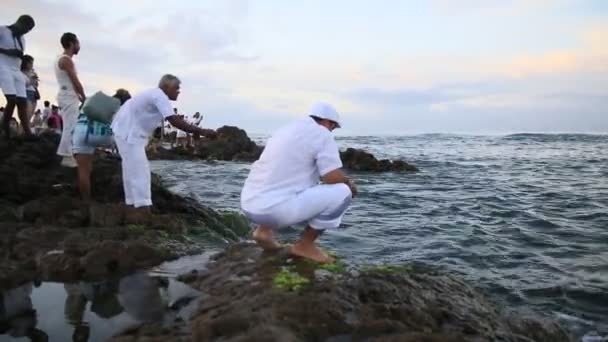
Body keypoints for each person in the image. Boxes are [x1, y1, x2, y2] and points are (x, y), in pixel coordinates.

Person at [240, 102, 357, 263]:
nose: (332, 131)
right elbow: (330, 177)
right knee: (344, 192)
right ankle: (305, 245)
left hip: (249, 204)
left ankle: (263, 232)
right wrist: (349, 183)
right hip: (273, 212)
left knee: (284, 181)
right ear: (328, 122)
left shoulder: (285, 130)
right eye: (333, 127)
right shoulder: (323, 134)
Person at [111, 74, 216, 222]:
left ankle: (133, 205)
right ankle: (142, 209)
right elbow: (174, 121)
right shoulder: (159, 96)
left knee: (131, 169)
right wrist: (202, 131)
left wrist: (195, 132)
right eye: (176, 88)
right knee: (140, 171)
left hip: (124, 130)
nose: (178, 91)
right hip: (129, 133)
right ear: (166, 87)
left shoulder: (155, 94)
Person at [72, 89, 131, 204]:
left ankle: (86, 201)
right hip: (104, 138)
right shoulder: (120, 108)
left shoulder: (94, 99)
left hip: (82, 133)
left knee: (84, 170)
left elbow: (79, 111)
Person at [0, 15, 35, 139]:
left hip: (16, 70)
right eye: (26, 28)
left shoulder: (22, 39)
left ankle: (28, 132)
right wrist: (7, 51)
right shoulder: (3, 30)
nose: (26, 31)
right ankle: (4, 129)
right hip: (3, 66)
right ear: (19, 23)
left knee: (22, 101)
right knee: (11, 99)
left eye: (29, 30)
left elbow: (19, 54)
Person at [55, 32, 85, 168]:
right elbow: (75, 80)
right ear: (72, 43)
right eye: (77, 42)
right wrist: (83, 96)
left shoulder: (60, 58)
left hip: (67, 93)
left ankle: (69, 154)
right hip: (68, 95)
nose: (79, 46)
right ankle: (66, 157)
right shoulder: (66, 60)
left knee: (71, 125)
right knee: (71, 126)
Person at [21, 54, 39, 123]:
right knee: (26, 116)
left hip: (34, 93)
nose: (32, 65)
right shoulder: (21, 72)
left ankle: (24, 133)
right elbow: (22, 84)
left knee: (29, 117)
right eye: (30, 63)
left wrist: (36, 81)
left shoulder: (32, 71)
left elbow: (36, 85)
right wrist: (31, 80)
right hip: (26, 92)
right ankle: (20, 133)